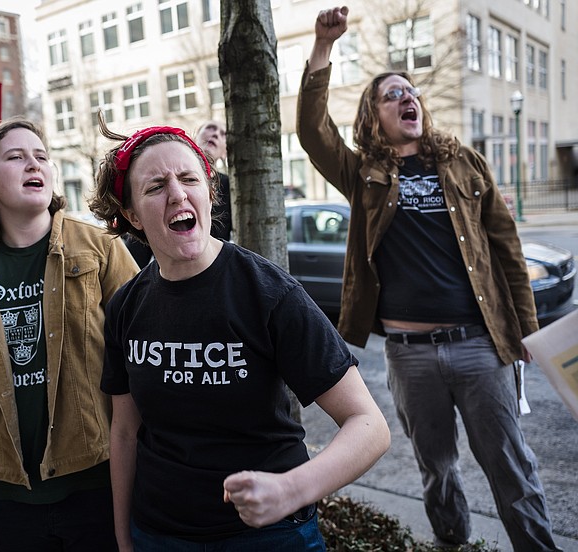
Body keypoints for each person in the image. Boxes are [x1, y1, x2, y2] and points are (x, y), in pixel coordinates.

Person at [296, 7, 560, 551]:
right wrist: (323, 48)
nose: (405, 97)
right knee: (436, 468)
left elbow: (507, 249)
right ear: (373, 117)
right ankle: (452, 542)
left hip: (480, 348)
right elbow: (312, 131)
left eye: (410, 90)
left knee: (511, 467)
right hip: (410, 354)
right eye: (391, 94)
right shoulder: (363, 173)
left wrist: (526, 329)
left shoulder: (464, 164)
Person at [87, 122, 390, 551]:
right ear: (132, 214)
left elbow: (370, 426)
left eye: (190, 178)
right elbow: (124, 432)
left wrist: (292, 489)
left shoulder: (269, 293)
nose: (177, 193)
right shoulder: (126, 307)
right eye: (156, 186)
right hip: (160, 534)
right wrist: (123, 538)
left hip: (271, 536)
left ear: (209, 194)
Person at [0, 117, 140, 552]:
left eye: (41, 156)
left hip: (101, 483)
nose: (33, 165)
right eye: (16, 157)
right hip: (10, 496)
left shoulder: (101, 249)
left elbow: (145, 357)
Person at [195, 120, 233, 242]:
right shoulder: (172, 176)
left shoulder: (229, 186)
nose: (216, 134)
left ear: (225, 152)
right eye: (210, 128)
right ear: (195, 137)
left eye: (223, 134)